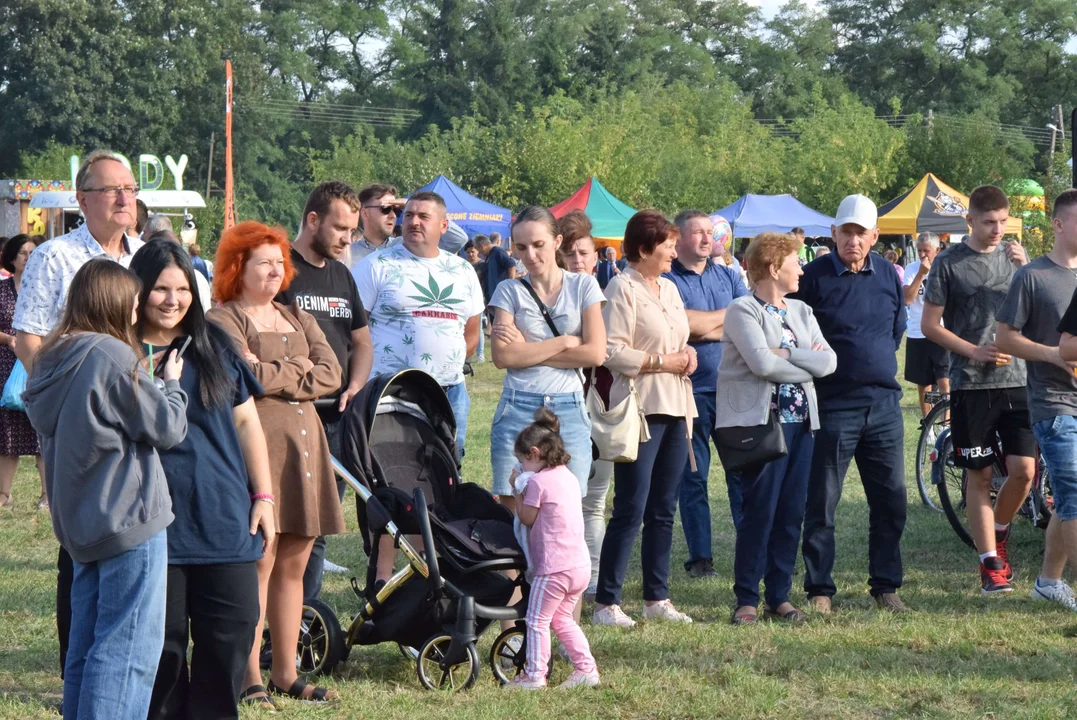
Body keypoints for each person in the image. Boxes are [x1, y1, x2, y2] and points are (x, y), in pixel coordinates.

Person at [23, 260, 188, 720]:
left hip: (82, 525)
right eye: (134, 302)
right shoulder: (109, 354)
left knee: (88, 646)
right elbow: (167, 427)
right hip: (128, 521)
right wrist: (172, 385)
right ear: (117, 303)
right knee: (127, 651)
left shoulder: (54, 355)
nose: (138, 310)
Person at [13, 149, 146, 678]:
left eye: (130, 189)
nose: (122, 198)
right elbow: (28, 338)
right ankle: (80, 674)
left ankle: (131, 665)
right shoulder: (56, 257)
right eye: (111, 189)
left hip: (143, 417)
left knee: (137, 538)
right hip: (82, 421)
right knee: (85, 545)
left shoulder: (148, 256)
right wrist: (70, 397)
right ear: (81, 198)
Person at [128, 241, 276, 718]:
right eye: (160, 289)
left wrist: (264, 495)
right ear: (136, 291)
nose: (172, 300)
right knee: (163, 647)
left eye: (182, 289)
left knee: (232, 631)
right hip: (151, 523)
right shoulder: (118, 353)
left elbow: (248, 423)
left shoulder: (213, 346)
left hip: (222, 514)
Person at [208, 221, 345, 704]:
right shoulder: (223, 319)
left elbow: (332, 372)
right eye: (262, 261)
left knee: (295, 564)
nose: (274, 269)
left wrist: (273, 372)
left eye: (278, 261)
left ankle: (286, 671)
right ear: (236, 267)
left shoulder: (296, 315)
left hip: (306, 450)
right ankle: (249, 677)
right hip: (259, 451)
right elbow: (244, 379)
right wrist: (296, 369)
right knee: (259, 565)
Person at [794, 194, 908, 614]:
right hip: (832, 406)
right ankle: (820, 589)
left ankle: (885, 586)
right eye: (846, 232)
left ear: (875, 236)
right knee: (822, 503)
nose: (853, 240)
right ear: (834, 233)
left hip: (882, 406)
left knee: (891, 502)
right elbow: (797, 332)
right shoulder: (812, 276)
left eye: (861, 233)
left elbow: (896, 328)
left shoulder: (888, 276)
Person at [720, 232, 837, 624]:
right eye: (794, 263)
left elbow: (830, 363)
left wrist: (786, 353)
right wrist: (806, 364)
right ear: (773, 269)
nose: (801, 269)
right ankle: (747, 599)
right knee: (760, 512)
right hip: (762, 426)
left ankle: (780, 596)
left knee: (790, 513)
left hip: (802, 424)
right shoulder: (742, 310)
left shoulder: (802, 311)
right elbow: (761, 366)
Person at [922, 186, 1033, 595]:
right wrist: (974, 351)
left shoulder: (1018, 259)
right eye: (989, 222)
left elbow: (1040, 316)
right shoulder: (949, 263)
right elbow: (930, 325)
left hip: (1021, 379)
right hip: (972, 383)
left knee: (1024, 472)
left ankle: (998, 531)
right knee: (980, 474)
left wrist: (1028, 271)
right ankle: (989, 562)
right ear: (969, 220)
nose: (997, 230)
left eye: (1003, 221)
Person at [593, 210, 698, 627]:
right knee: (631, 507)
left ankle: (657, 597)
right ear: (644, 248)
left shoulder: (670, 289)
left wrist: (686, 356)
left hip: (677, 407)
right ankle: (606, 603)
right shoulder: (621, 288)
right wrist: (662, 361)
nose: (675, 250)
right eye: (668, 244)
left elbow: (682, 339)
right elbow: (611, 351)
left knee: (663, 508)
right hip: (640, 410)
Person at [274, 181, 373, 604]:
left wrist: (355, 383)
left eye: (352, 230)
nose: (348, 239)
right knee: (285, 526)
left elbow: (363, 341)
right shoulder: (278, 269)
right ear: (313, 220)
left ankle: (304, 618)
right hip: (288, 416)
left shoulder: (342, 275)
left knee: (316, 526)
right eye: (340, 229)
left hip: (337, 418)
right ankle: (273, 621)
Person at [489, 205, 605, 510]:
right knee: (512, 510)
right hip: (517, 404)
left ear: (557, 242)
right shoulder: (508, 290)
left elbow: (594, 352)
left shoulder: (583, 285)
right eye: (522, 247)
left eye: (538, 245)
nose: (530, 255)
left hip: (568, 406)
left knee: (563, 511)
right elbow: (502, 357)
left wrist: (527, 351)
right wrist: (566, 342)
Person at [353, 191, 484, 457]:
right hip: (391, 392)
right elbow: (354, 330)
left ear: (443, 226)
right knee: (389, 470)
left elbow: (471, 333)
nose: (414, 222)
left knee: (448, 471)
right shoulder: (376, 265)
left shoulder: (462, 270)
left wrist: (448, 362)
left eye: (424, 216)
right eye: (409, 215)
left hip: (450, 392)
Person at [999, 188, 1077, 611]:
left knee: (1069, 500)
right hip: (1054, 402)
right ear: (1059, 224)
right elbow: (1004, 337)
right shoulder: (1033, 276)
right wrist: (1053, 354)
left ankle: (1048, 582)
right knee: (1074, 495)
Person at [665, 209, 749, 578]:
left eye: (708, 232)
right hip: (690, 393)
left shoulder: (730, 276)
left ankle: (752, 548)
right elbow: (680, 328)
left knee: (742, 474)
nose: (705, 238)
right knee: (694, 478)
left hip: (734, 390)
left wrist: (705, 324)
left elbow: (749, 321)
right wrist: (724, 319)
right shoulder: (668, 282)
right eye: (696, 232)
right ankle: (701, 559)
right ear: (678, 238)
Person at [509, 409, 600, 690]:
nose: (522, 467)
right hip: (579, 566)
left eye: (523, 461)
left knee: (537, 620)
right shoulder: (568, 477)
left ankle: (535, 675)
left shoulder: (536, 482)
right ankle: (586, 669)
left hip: (554, 568)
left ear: (534, 453)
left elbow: (527, 517)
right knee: (563, 619)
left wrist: (516, 488)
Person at [0, 235, 46, 510]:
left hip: (39, 364)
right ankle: (4, 493)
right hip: (6, 366)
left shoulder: (45, 288)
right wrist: (8, 339)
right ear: (12, 259)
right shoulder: (2, 289)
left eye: (33, 253)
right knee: (6, 433)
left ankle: (48, 495)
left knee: (43, 431)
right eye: (23, 253)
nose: (28, 258)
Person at [344, 183, 468, 269]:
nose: (393, 216)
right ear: (365, 212)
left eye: (397, 210)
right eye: (386, 209)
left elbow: (457, 239)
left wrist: (409, 205)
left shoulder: (411, 246)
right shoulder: (346, 253)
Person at [903, 232, 951, 417]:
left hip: (941, 332)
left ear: (937, 250)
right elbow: (907, 299)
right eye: (920, 251)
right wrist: (921, 275)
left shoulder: (945, 269)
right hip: (917, 331)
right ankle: (928, 423)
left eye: (927, 251)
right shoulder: (911, 269)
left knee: (944, 381)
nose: (923, 255)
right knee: (923, 383)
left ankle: (947, 423)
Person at [475, 233, 518, 303]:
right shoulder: (489, 256)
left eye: (479, 251)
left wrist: (509, 286)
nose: (480, 254)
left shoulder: (497, 251)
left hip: (501, 298)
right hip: (493, 299)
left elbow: (511, 265)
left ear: (482, 246)